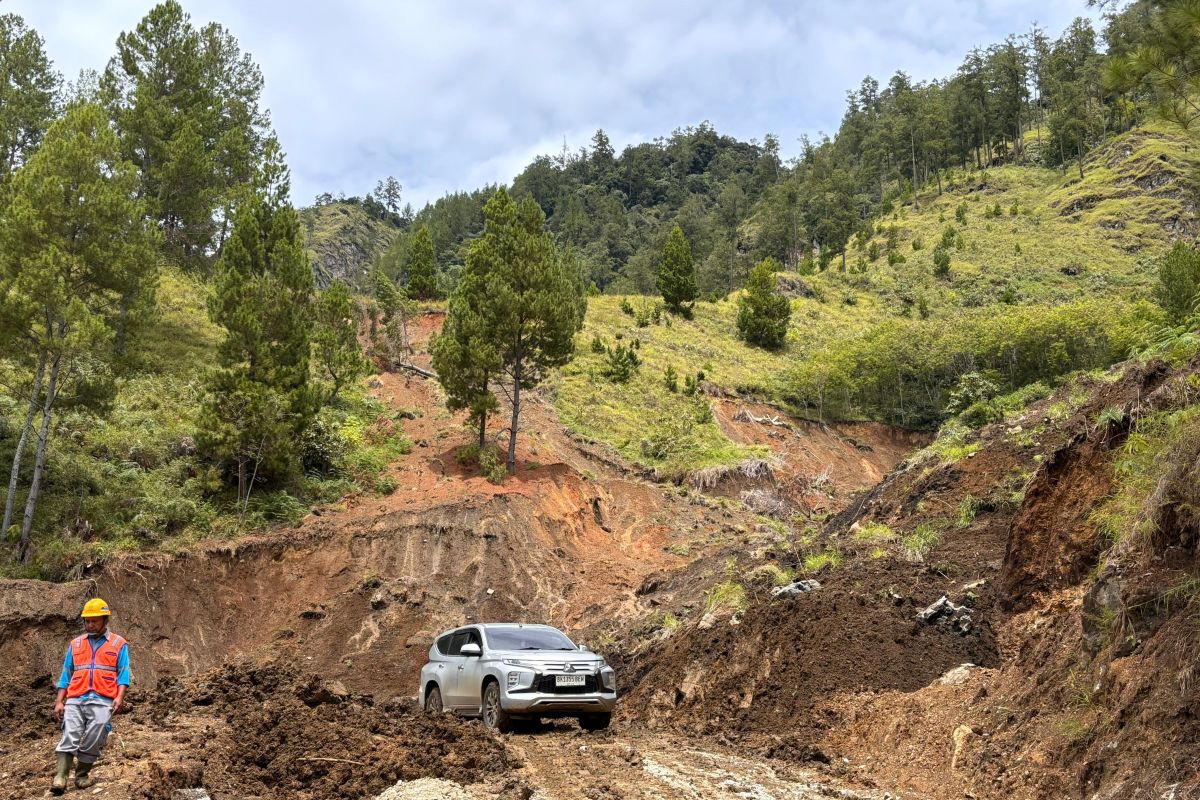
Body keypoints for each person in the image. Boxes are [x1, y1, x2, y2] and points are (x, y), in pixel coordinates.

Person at [51, 597, 130, 794]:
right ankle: (60, 777)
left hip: (103, 698)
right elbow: (66, 674)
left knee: (96, 734)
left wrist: (119, 697)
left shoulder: (119, 644)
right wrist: (59, 701)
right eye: (87, 621)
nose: (90, 625)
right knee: (70, 733)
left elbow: (123, 673)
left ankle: (82, 775)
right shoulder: (76, 644)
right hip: (76, 697)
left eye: (94, 621)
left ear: (105, 620)